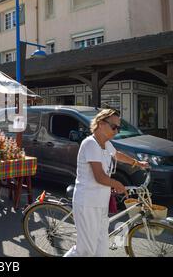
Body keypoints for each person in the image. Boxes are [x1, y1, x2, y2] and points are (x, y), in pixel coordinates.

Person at [64, 109, 149, 257]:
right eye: (114, 127)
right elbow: (100, 177)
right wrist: (117, 184)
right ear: (101, 124)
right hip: (87, 203)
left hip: (100, 202)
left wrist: (137, 163)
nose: (117, 131)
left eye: (119, 127)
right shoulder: (90, 144)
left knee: (101, 248)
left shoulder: (105, 143)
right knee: (85, 250)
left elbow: (117, 155)